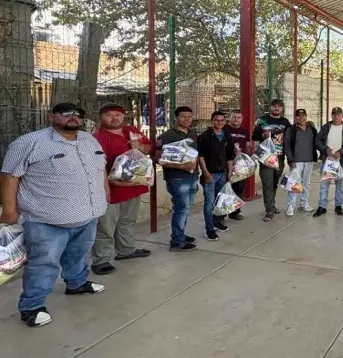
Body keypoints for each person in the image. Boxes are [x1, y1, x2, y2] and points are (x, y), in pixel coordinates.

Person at [0, 103, 108, 327]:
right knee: (43, 263)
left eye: (78, 114)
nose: (73, 117)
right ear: (51, 117)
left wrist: (104, 191)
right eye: (66, 113)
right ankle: (32, 306)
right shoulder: (30, 142)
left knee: (78, 253)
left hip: (88, 213)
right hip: (46, 219)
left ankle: (76, 283)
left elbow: (100, 168)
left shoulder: (90, 140)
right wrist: (9, 211)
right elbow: (10, 175)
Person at [90, 104, 153, 275]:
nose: (114, 118)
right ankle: (101, 260)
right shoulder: (97, 138)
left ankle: (126, 250)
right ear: (100, 117)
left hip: (133, 186)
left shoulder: (131, 130)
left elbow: (148, 148)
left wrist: (138, 147)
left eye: (118, 114)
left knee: (127, 221)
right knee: (105, 226)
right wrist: (108, 187)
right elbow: (97, 166)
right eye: (109, 115)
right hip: (109, 190)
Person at [156, 106, 199, 252]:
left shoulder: (192, 132)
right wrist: (181, 166)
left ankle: (180, 234)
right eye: (183, 116)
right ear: (176, 118)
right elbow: (158, 159)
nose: (186, 119)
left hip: (193, 176)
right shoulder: (166, 136)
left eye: (189, 117)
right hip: (177, 178)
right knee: (181, 209)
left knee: (185, 208)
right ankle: (176, 241)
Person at [197, 111, 236, 241]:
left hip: (223, 173)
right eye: (216, 120)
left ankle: (217, 221)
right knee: (209, 203)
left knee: (220, 200)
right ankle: (209, 229)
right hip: (210, 174)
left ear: (224, 122)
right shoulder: (205, 136)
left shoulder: (227, 136)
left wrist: (229, 172)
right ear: (212, 121)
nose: (219, 123)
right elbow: (200, 156)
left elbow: (230, 155)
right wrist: (206, 172)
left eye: (221, 120)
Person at [252, 98, 291, 222]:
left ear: (282, 108)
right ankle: (269, 210)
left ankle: (272, 205)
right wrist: (262, 135)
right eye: (274, 106)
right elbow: (254, 136)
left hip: (279, 156)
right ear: (271, 107)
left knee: (274, 182)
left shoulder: (285, 122)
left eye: (279, 106)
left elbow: (289, 139)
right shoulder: (262, 120)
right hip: (266, 157)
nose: (276, 108)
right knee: (267, 182)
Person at [314, 106, 343, 217]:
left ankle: (338, 206)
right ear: (332, 115)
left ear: (342, 116)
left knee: (340, 185)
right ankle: (322, 206)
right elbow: (318, 141)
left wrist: (340, 152)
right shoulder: (326, 127)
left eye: (339, 115)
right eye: (334, 114)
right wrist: (326, 150)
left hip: (341, 161)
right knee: (324, 184)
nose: (336, 117)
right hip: (328, 161)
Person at [283, 108, 318, 217]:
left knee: (306, 184)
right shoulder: (291, 130)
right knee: (294, 184)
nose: (301, 118)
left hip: (309, 160)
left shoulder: (311, 129)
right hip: (296, 161)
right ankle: (290, 206)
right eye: (298, 116)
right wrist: (290, 159)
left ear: (306, 116)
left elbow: (317, 142)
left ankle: (304, 203)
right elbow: (287, 145)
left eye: (303, 116)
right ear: (295, 117)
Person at [225, 109, 250, 221]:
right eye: (234, 117)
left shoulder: (245, 131)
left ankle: (235, 212)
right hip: (226, 163)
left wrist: (248, 159)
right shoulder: (225, 129)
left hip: (240, 164)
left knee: (239, 188)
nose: (236, 119)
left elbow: (248, 147)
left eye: (239, 117)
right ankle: (221, 214)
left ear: (242, 119)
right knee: (225, 188)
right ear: (230, 117)